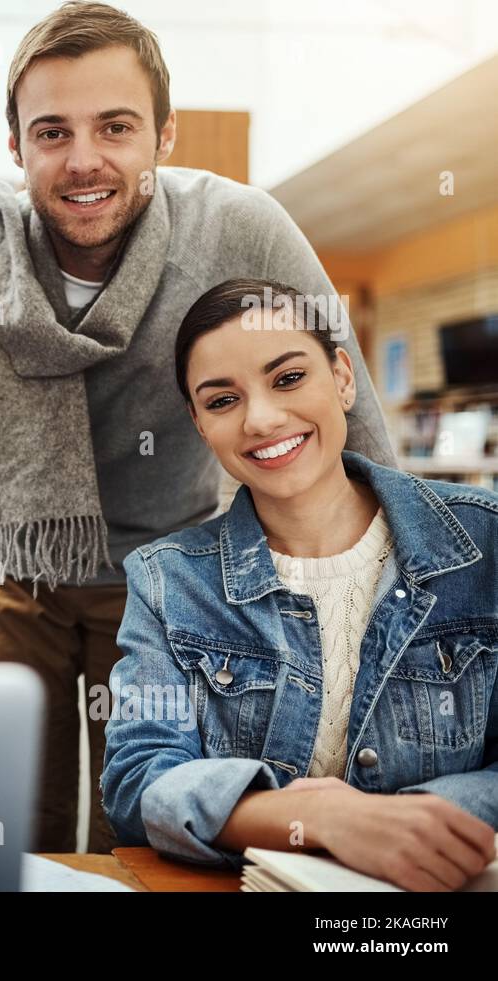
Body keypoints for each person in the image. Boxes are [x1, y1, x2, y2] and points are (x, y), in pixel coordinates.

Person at [0, 0, 396, 853]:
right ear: (16, 146)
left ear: (164, 137)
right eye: (52, 132)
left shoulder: (239, 228)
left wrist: (410, 574)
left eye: (116, 127)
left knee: (143, 818)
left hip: (169, 575)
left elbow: (350, 405)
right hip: (7, 568)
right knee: (7, 819)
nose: (84, 159)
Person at [101, 278, 498, 891]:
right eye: (222, 400)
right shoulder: (166, 579)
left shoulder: (485, 543)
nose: (261, 419)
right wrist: (318, 816)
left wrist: (398, 823)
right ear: (200, 424)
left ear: (342, 378)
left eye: (288, 378)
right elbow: (139, 782)